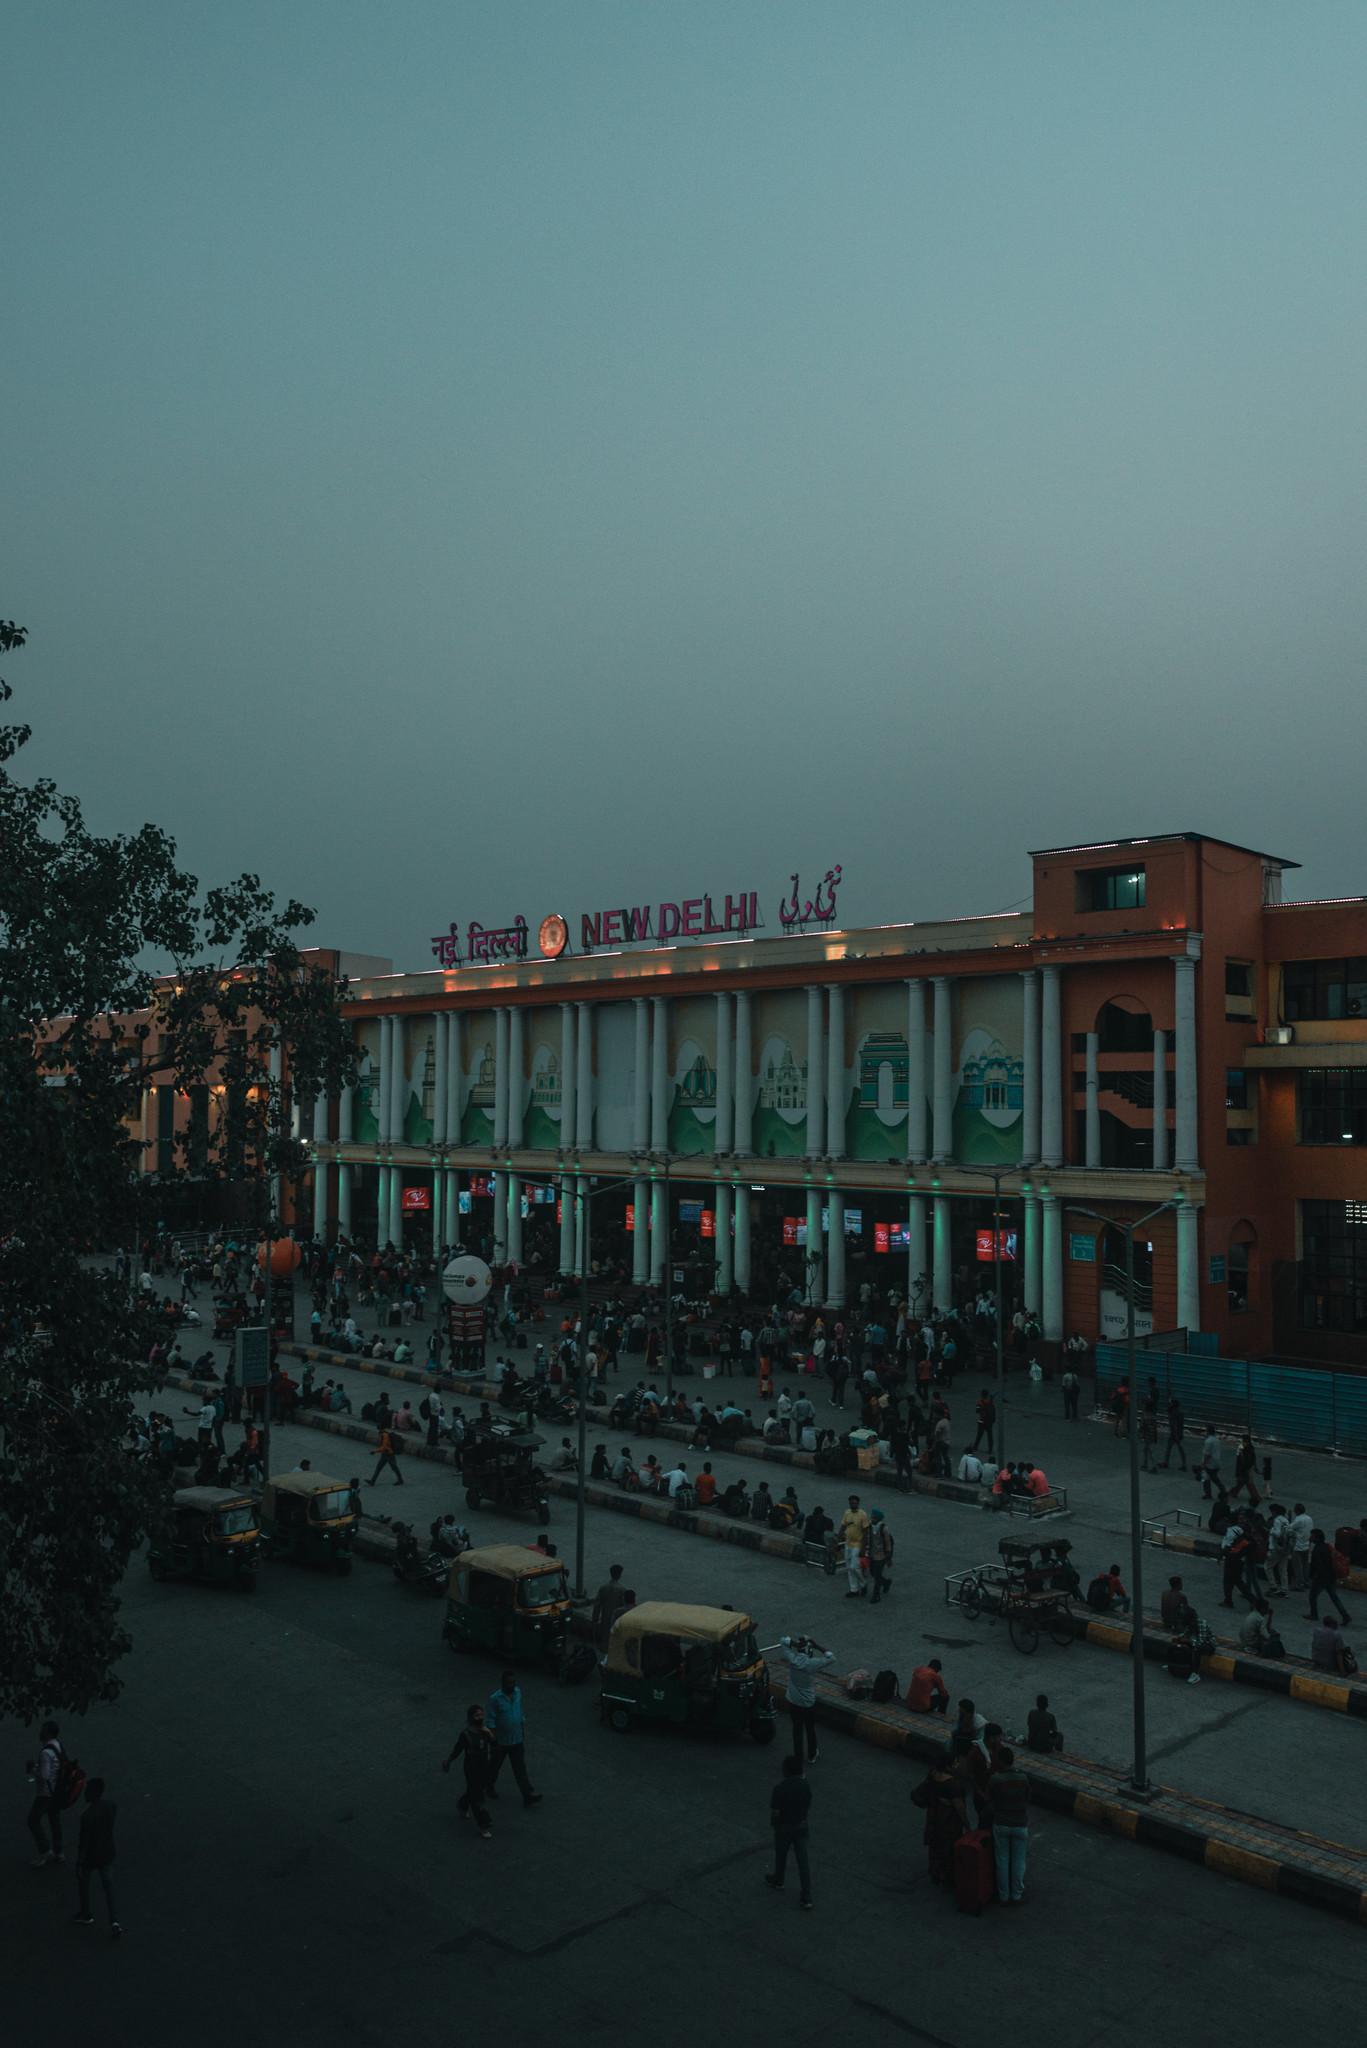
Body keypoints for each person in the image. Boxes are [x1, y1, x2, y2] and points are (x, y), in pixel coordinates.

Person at [71, 1777, 120, 1935]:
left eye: (87, 1791)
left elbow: (83, 1843)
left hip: (91, 1857)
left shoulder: (87, 1816)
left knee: (83, 1883)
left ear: (93, 1793)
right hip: (107, 1853)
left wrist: (79, 1862)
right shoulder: (110, 1806)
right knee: (109, 1887)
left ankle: (86, 1913)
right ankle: (114, 1920)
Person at [486, 1672, 543, 1807]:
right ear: (503, 1684)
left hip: (516, 1739)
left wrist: (522, 1728)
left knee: (520, 1769)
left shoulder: (517, 1693)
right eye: (509, 1683)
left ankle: (527, 1794)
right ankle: (488, 1786)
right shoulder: (495, 1699)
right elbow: (490, 1720)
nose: (512, 1685)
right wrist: (493, 1740)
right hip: (501, 1741)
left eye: (513, 1682)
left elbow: (519, 1711)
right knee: (494, 1767)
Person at [765, 1755, 813, 1909]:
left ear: (786, 1771)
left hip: (784, 1827)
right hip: (801, 1825)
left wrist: (775, 1825)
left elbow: (775, 1813)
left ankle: (779, 1879)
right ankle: (807, 1896)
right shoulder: (806, 1786)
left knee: (781, 1854)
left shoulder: (779, 1789)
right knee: (803, 1861)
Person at [443, 1704, 497, 1838]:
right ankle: (484, 1824)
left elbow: (495, 1745)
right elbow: (458, 1749)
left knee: (474, 1791)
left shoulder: (485, 1732)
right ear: (470, 1718)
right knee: (477, 1797)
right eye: (477, 1715)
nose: (480, 1717)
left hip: (484, 1766)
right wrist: (449, 1760)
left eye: (481, 1715)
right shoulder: (466, 1735)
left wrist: (489, 1733)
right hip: (471, 1769)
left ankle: (462, 1805)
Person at [779, 1635, 835, 1761]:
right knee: (810, 1728)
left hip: (793, 1701)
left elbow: (783, 1640)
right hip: (808, 1703)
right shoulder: (813, 1663)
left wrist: (795, 1644)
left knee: (796, 1730)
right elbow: (832, 1658)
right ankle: (811, 1754)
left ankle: (798, 1757)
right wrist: (817, 1645)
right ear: (809, 1651)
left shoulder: (792, 1659)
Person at [989, 1746, 1030, 1905]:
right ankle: (1017, 1894)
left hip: (1001, 1822)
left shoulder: (996, 1779)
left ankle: (1003, 1895)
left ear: (1000, 1761)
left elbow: (989, 1797)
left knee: (1002, 1860)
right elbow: (1028, 1797)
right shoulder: (1023, 1778)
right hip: (1020, 1822)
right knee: (1019, 1860)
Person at [26, 1720, 66, 1867]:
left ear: (48, 1732)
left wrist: (32, 1770)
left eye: (43, 1729)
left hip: (46, 1793)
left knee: (33, 1820)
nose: (40, 1732)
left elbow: (44, 1776)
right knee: (55, 1821)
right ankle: (59, 1852)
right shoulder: (58, 1745)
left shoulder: (45, 1753)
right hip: (57, 1791)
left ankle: (45, 1851)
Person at [1306, 1529, 1351, 1624]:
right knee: (1334, 1597)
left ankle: (1314, 1614)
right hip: (1331, 1576)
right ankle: (1345, 1615)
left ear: (1316, 1538)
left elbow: (1317, 1566)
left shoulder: (1317, 1550)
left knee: (1312, 1596)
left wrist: (1312, 1576)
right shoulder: (1327, 1546)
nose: (1310, 1537)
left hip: (1321, 1578)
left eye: (1312, 1536)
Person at [593, 1564, 632, 1647]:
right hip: (616, 1621)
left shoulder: (603, 1588)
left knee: (604, 1644)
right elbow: (624, 1608)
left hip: (605, 1620)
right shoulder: (622, 1590)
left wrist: (595, 1621)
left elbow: (597, 1607)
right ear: (619, 1575)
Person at [839, 1494, 870, 1597]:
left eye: (855, 1503)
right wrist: (837, 1540)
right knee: (849, 1567)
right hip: (848, 1543)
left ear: (858, 1503)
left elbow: (866, 1532)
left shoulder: (863, 1515)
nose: (853, 1504)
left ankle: (863, 1583)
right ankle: (854, 1589)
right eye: (851, 1503)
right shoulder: (847, 1513)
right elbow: (843, 1526)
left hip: (858, 1544)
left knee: (854, 1567)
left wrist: (863, 1547)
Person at [867, 1508, 895, 1604]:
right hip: (872, 1554)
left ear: (878, 1519)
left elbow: (888, 1544)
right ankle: (886, 1582)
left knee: (877, 1575)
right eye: (872, 1517)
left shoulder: (883, 1528)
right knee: (872, 1572)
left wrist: (888, 1558)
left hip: (881, 1556)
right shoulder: (871, 1526)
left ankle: (876, 1595)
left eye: (874, 1518)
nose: (872, 1519)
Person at [1287, 1504, 1314, 1591]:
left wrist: (1289, 1518)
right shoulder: (1309, 1518)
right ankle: (1306, 1581)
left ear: (1297, 1511)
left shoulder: (1298, 1520)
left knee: (1297, 1567)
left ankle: (1298, 1584)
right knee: (1305, 1565)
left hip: (1298, 1546)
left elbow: (1288, 1530)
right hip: (1307, 1545)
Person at [1162, 1397, 1187, 1470]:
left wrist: (1175, 1435)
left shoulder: (1173, 1413)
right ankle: (1184, 1464)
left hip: (1174, 1434)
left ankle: (1166, 1462)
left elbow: (1174, 1425)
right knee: (1180, 1449)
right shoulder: (1180, 1413)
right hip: (1179, 1433)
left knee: (1169, 1448)